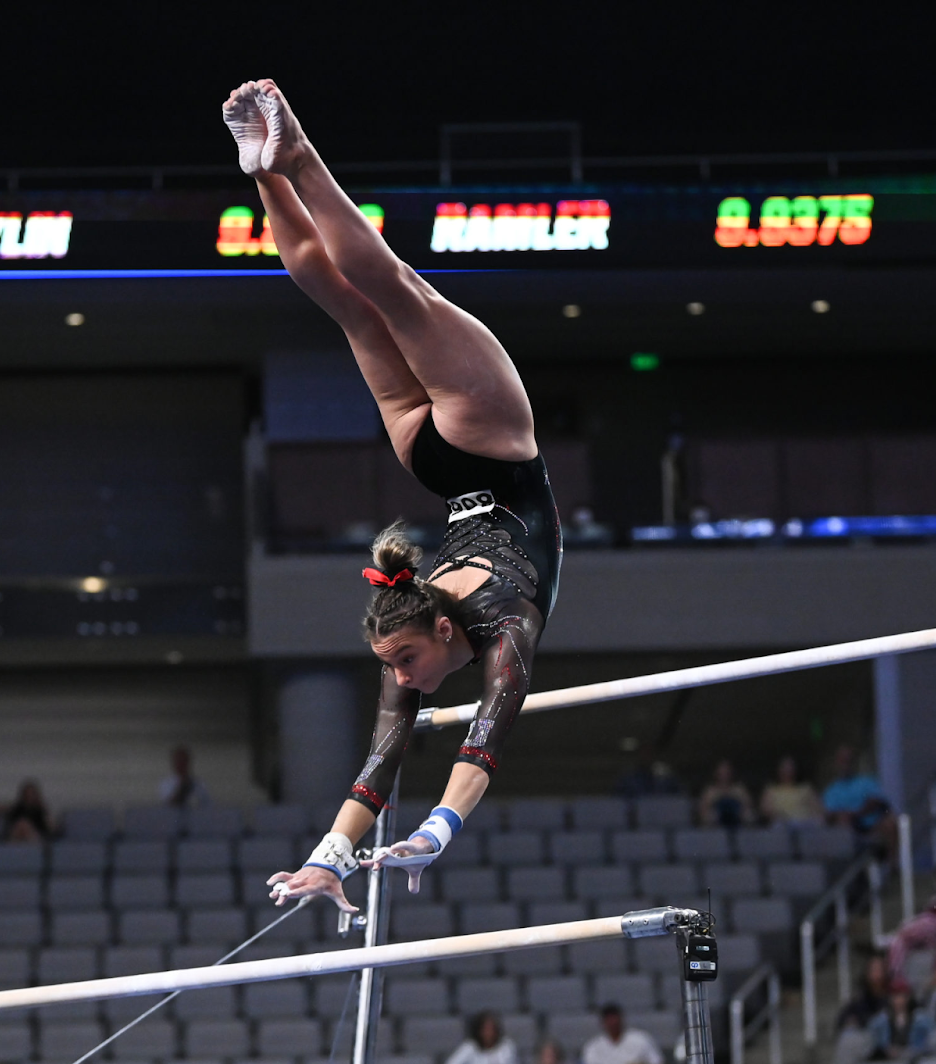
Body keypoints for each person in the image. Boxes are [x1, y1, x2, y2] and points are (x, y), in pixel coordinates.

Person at [223, 80, 562, 909]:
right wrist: (369, 849)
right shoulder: (501, 629)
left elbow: (394, 760)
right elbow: (478, 741)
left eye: (402, 663)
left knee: (374, 292)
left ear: (434, 627)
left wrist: (352, 851)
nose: (403, 681)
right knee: (362, 294)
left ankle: (284, 164)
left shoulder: (424, 631)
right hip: (484, 440)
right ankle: (265, 170)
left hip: (454, 453)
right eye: (400, 667)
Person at [822, 746, 899, 857]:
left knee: (890, 824)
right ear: (836, 763)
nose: (845, 764)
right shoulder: (831, 791)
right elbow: (830, 814)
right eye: (842, 761)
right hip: (849, 828)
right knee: (843, 821)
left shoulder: (866, 781)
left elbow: (876, 801)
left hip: (871, 826)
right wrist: (844, 816)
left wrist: (856, 814)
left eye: (848, 760)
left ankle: (894, 869)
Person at [865, 980, 934, 1060]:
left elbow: (930, 1044)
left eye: (901, 996)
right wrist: (886, 1050)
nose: (898, 1000)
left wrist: (912, 1051)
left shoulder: (922, 1020)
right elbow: (871, 1044)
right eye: (894, 996)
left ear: (908, 997)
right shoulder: (879, 1021)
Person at [582, 1005, 663, 1064]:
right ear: (603, 1023)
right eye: (609, 1021)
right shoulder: (593, 1046)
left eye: (615, 1020)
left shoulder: (641, 1039)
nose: (613, 1024)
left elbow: (657, 1060)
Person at [760, 755, 823, 825]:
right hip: (781, 825)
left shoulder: (806, 788)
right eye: (784, 768)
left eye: (790, 767)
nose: (788, 771)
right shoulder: (771, 789)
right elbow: (765, 810)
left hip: (805, 824)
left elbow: (818, 809)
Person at [837, 955, 891, 1030]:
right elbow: (842, 1018)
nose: (877, 974)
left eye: (879, 969)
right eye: (873, 970)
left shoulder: (892, 995)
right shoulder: (861, 998)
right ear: (867, 973)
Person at [697, 759, 755, 828]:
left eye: (727, 771)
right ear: (716, 773)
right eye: (722, 771)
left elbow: (749, 805)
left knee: (749, 815)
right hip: (716, 821)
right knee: (709, 816)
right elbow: (702, 810)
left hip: (736, 818)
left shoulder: (739, 789)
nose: (724, 774)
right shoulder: (710, 791)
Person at [446, 1011, 518, 1064]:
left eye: (492, 1029)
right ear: (479, 1031)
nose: (490, 1033)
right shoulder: (469, 1048)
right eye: (486, 1030)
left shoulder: (507, 1046)